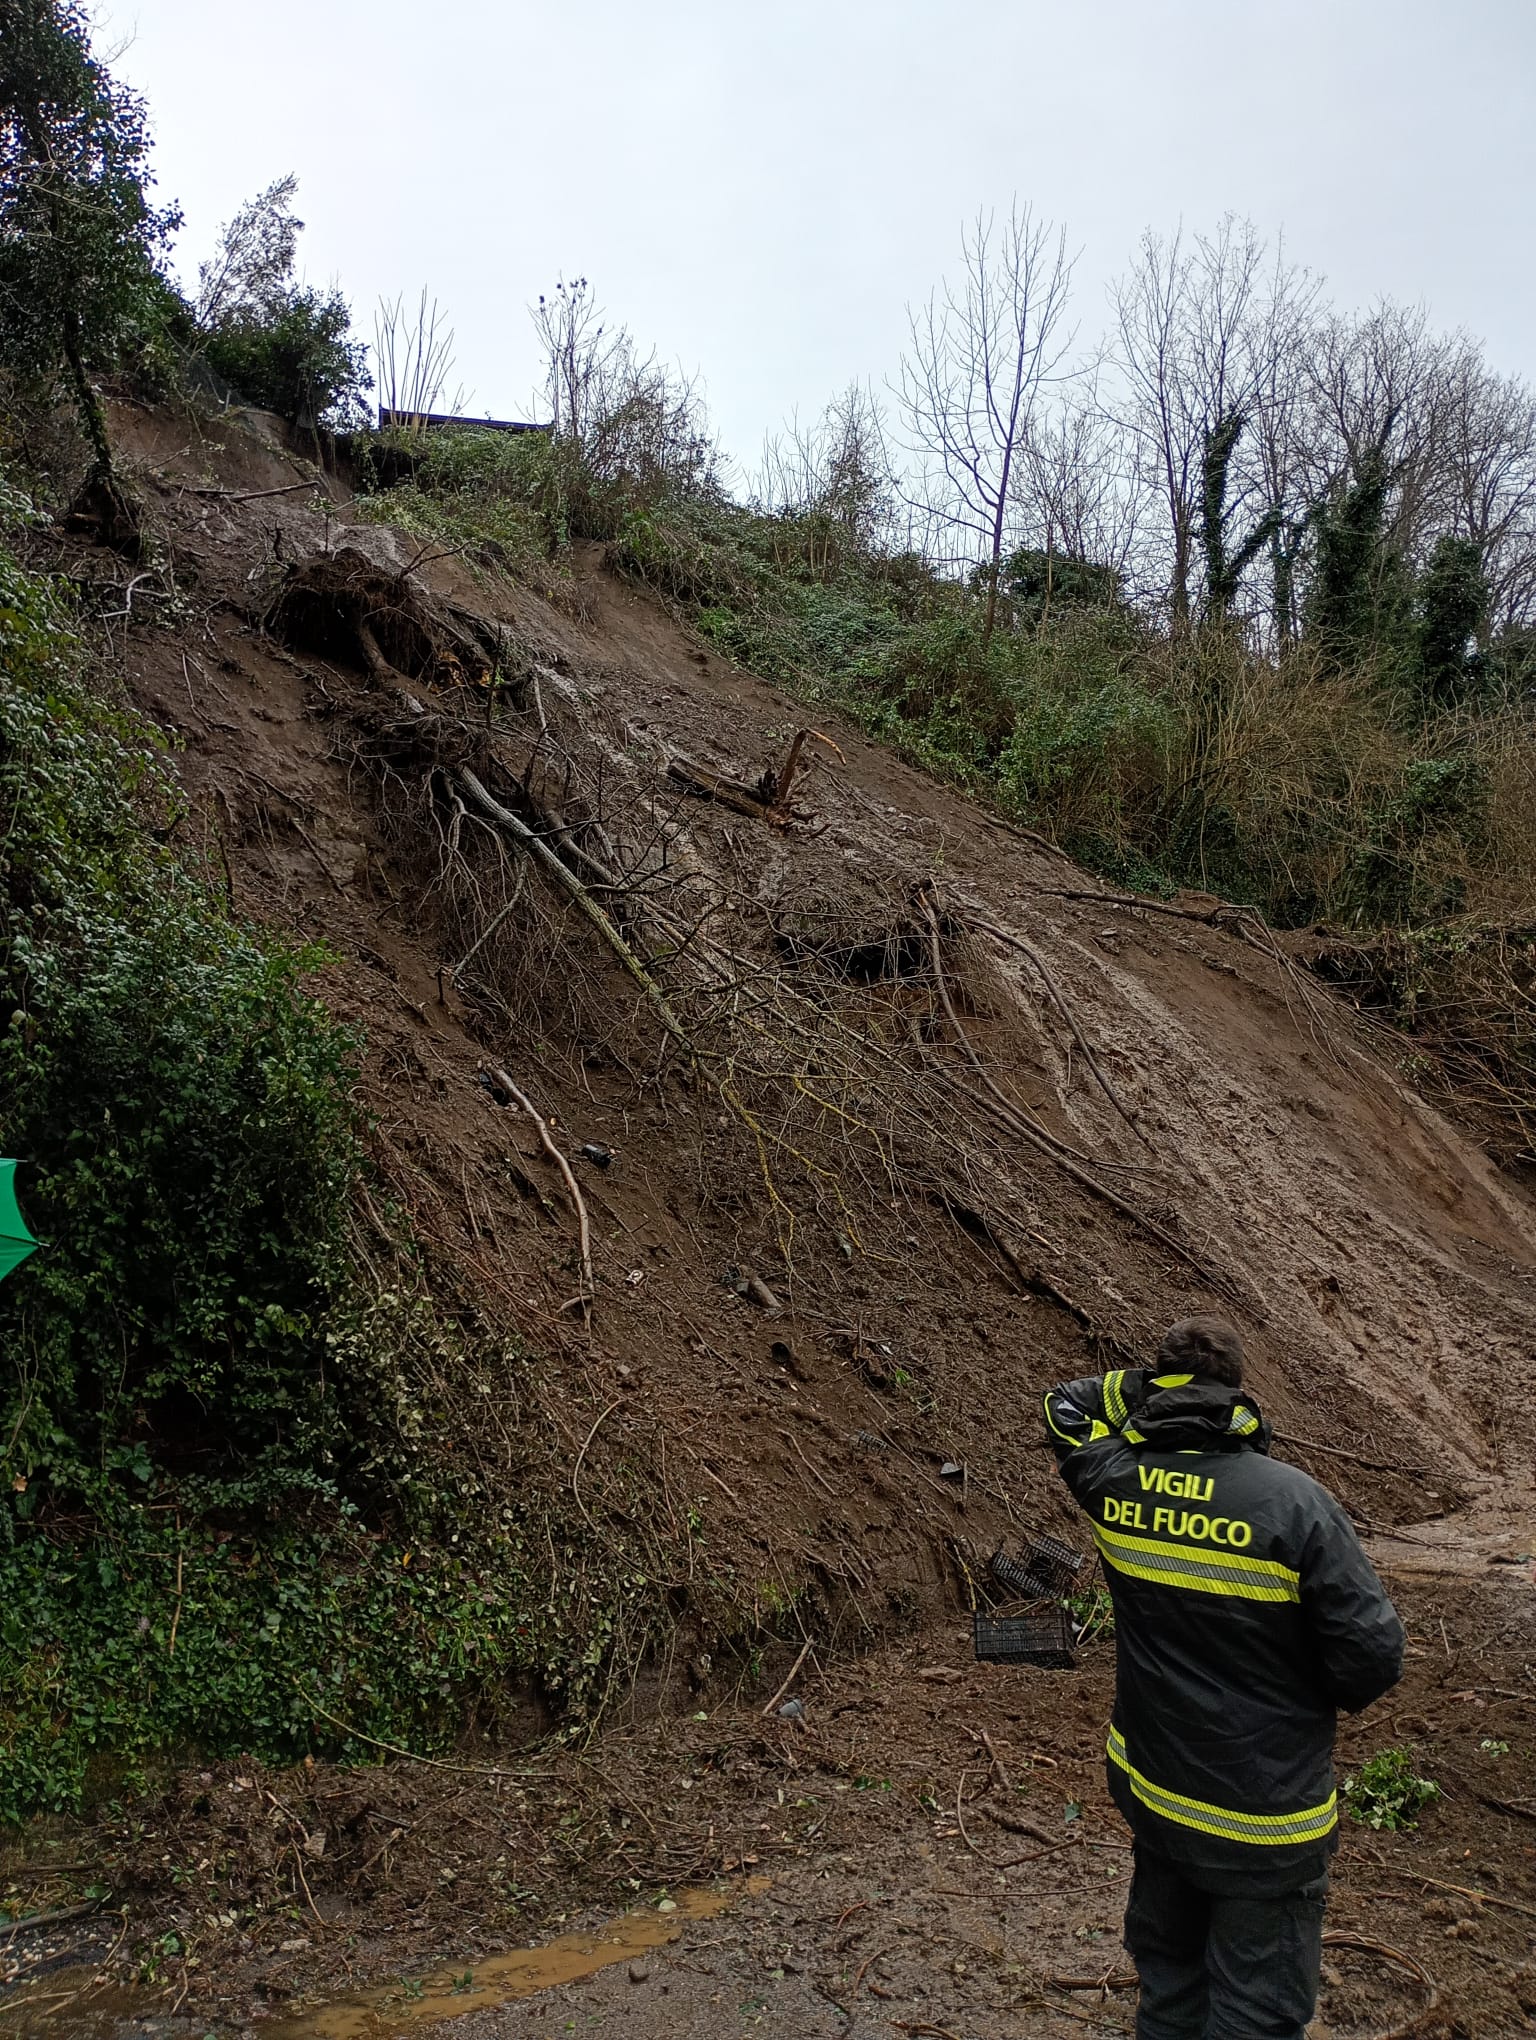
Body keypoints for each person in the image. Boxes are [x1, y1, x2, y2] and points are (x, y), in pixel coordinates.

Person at [1042, 1315, 1404, 2040]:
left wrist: (1153, 1388)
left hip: (1157, 1792)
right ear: (1236, 1391)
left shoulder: (1116, 1481)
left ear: (1163, 1387)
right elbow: (1372, 1660)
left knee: (1170, 1986)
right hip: (1264, 1816)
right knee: (1256, 2014)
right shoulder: (1295, 1503)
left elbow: (1066, 1404)